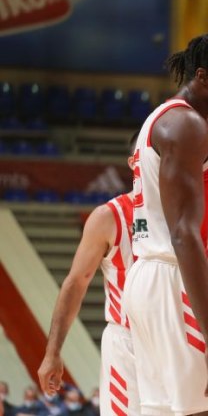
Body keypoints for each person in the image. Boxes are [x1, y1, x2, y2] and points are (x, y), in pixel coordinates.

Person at [122, 32, 208, 415]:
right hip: (174, 279)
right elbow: (183, 234)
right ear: (203, 76)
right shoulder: (186, 125)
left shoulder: (161, 120)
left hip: (150, 277)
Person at [38, 134, 139, 416]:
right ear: (135, 162)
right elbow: (75, 283)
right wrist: (52, 352)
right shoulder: (109, 216)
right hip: (127, 341)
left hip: (176, 338)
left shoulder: (188, 214)